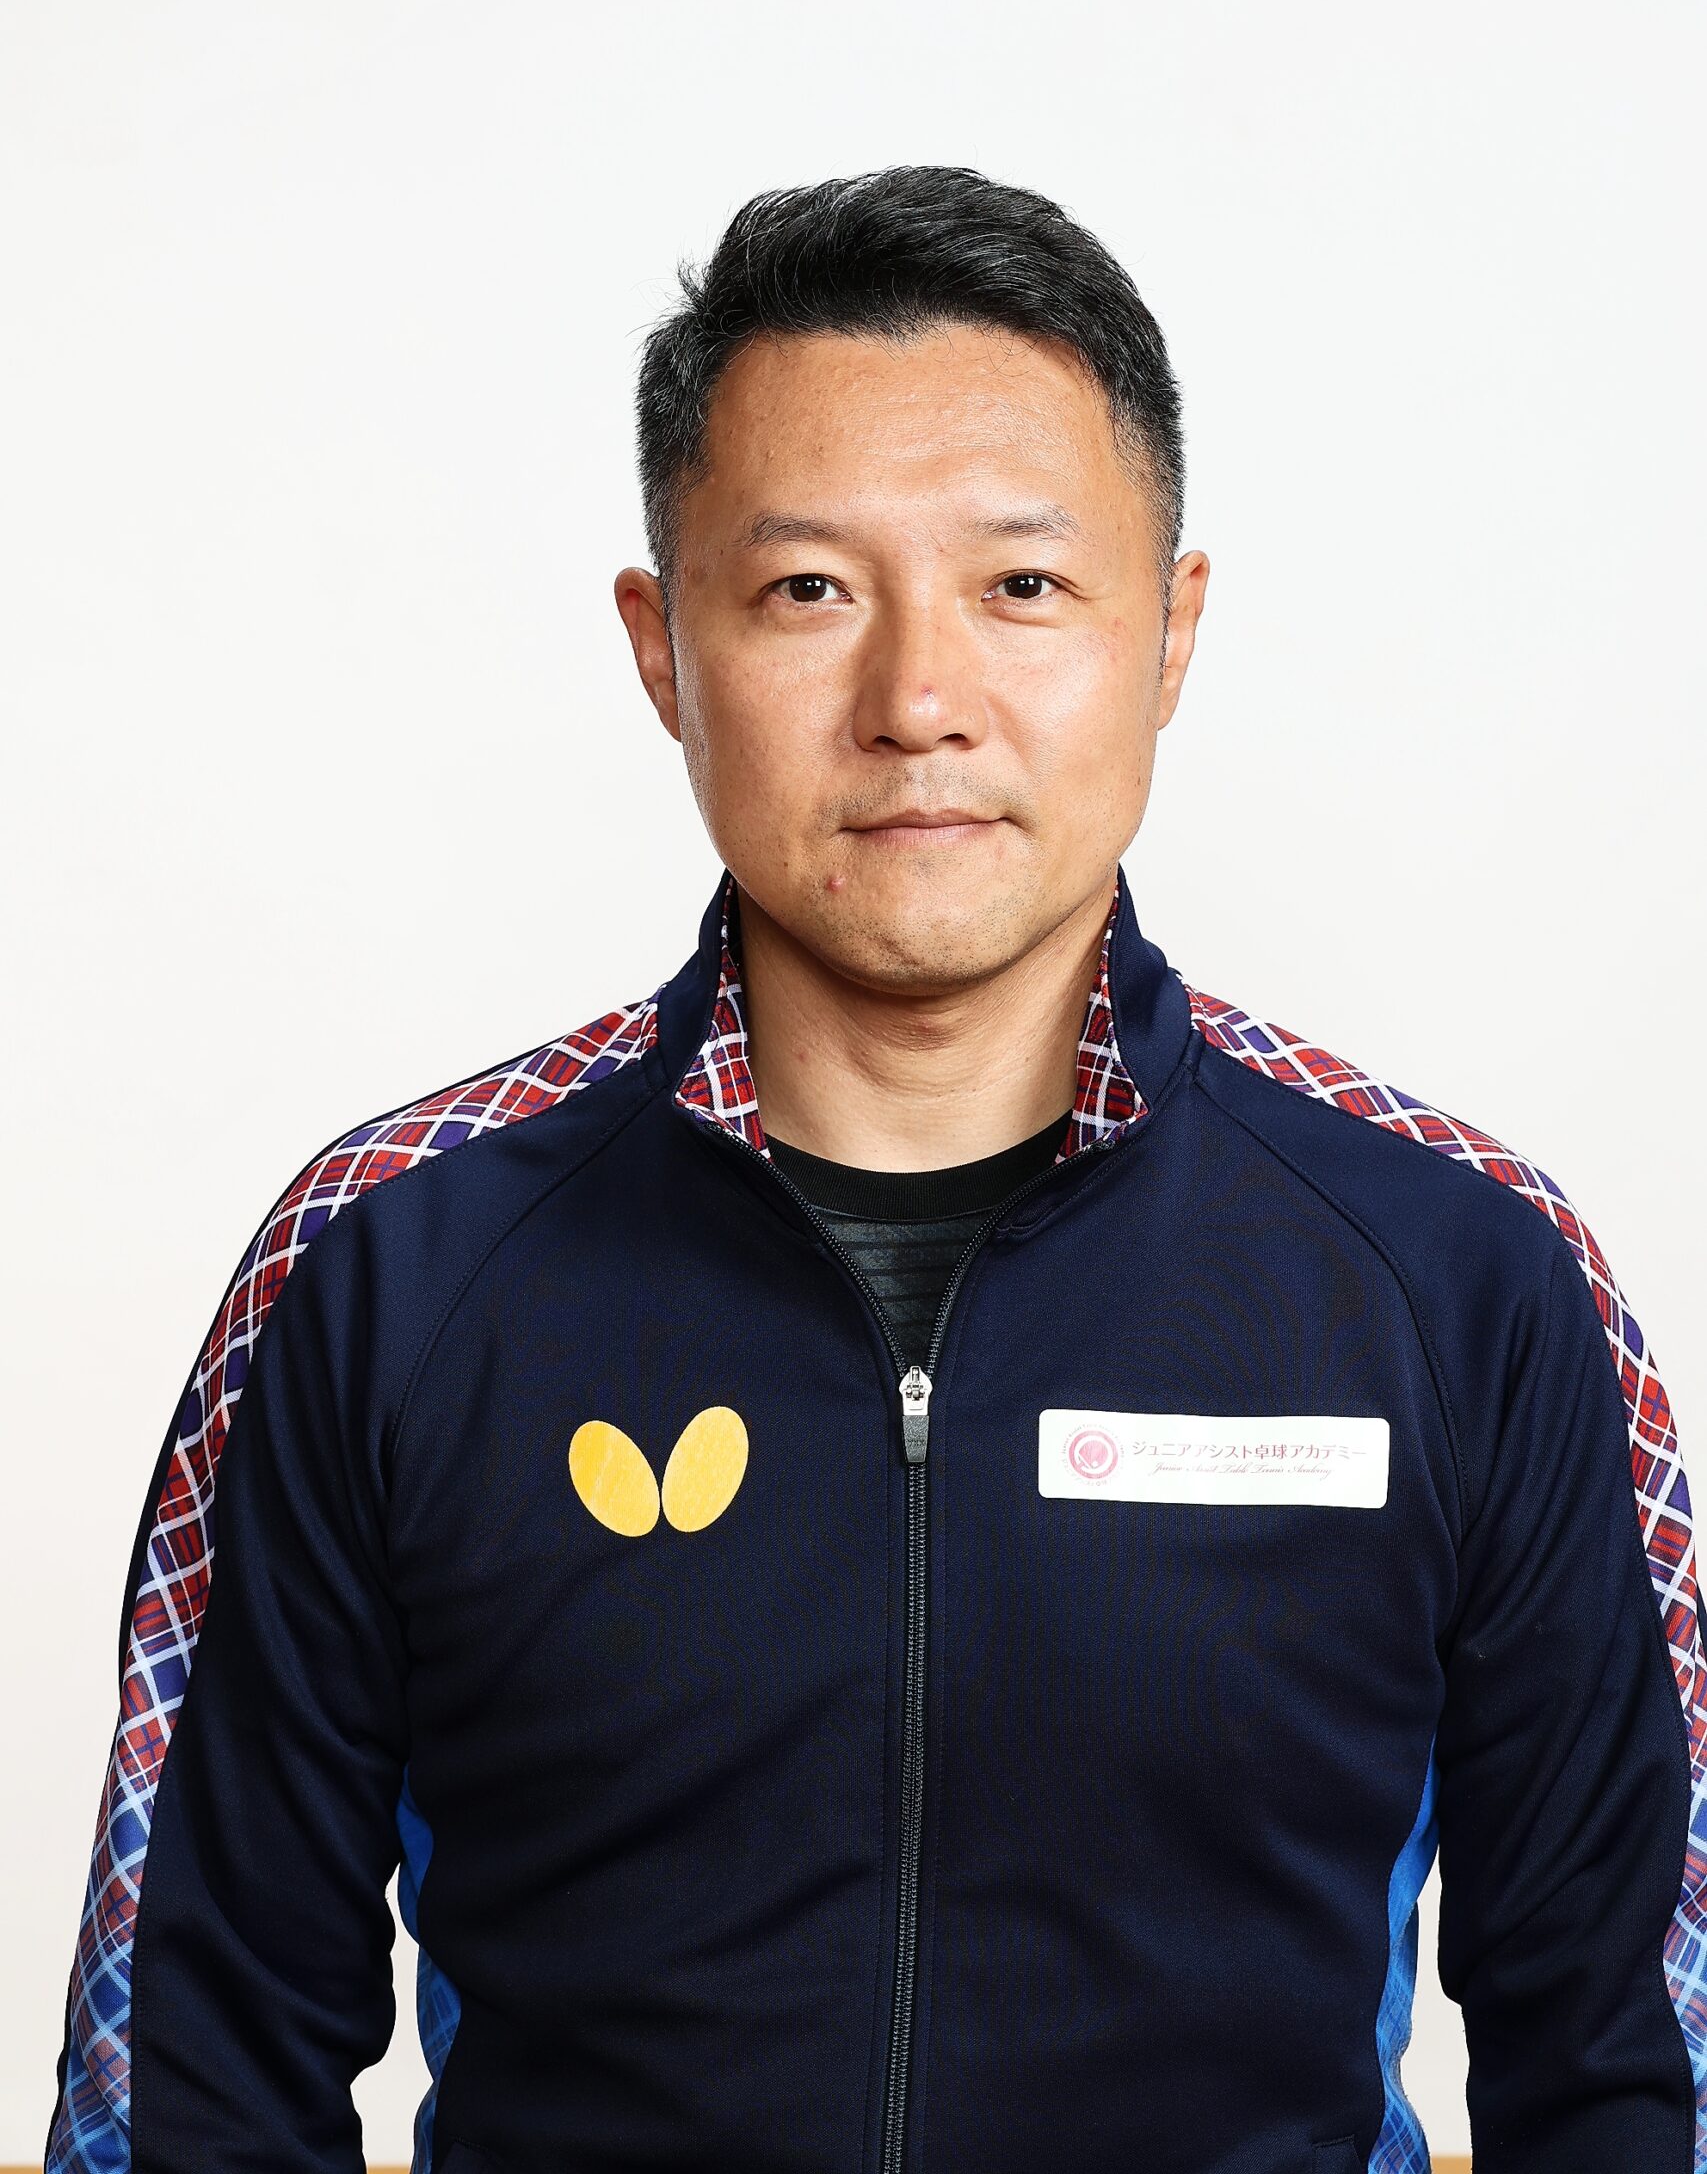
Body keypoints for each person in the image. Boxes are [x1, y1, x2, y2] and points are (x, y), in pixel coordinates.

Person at [46, 166, 1705, 2174]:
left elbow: (1636, 2070)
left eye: (1024, 587)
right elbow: (188, 2085)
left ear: (1170, 633)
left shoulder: (1464, 1278)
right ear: (663, 648)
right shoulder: (386, 1272)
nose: (918, 701)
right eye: (808, 590)